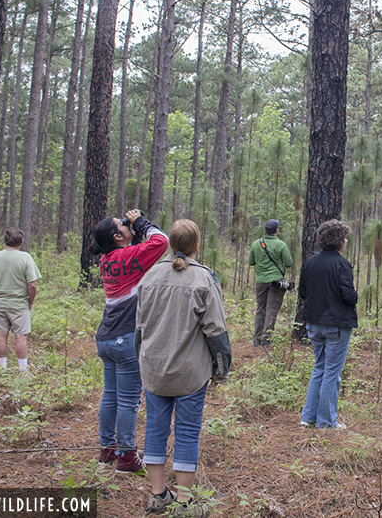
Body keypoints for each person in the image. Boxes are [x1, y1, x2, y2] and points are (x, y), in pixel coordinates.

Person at [136, 219, 231, 517]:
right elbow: (216, 330)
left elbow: (139, 328)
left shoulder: (149, 276)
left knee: (155, 428)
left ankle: (157, 496)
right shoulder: (203, 280)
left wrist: (141, 358)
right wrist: (221, 368)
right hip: (190, 372)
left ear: (169, 243)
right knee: (188, 433)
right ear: (196, 245)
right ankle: (185, 502)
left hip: (153, 369)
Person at [89, 209, 168, 473]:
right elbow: (161, 242)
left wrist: (130, 230)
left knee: (110, 395)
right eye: (120, 225)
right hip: (124, 338)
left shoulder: (106, 259)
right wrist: (140, 223)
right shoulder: (127, 256)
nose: (126, 225)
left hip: (106, 337)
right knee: (128, 400)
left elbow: (136, 250)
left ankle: (107, 448)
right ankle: (126, 455)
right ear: (116, 236)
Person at [298, 220, 358, 430]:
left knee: (320, 367)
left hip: (313, 323)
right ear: (339, 240)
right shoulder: (342, 265)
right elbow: (348, 295)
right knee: (332, 372)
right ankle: (326, 422)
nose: (346, 240)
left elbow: (303, 292)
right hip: (336, 324)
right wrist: (354, 296)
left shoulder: (310, 263)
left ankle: (308, 417)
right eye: (345, 237)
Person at [0, 227, 40, 372]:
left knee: (1, 335)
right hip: (19, 305)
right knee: (20, 337)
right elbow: (32, 284)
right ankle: (23, 371)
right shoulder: (25, 258)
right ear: (21, 241)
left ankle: (2, 368)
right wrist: (30, 301)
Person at [248, 219, 294, 346]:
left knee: (260, 308)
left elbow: (251, 262)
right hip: (276, 282)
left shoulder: (256, 244)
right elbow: (289, 263)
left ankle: (257, 338)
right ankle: (266, 339)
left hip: (261, 281)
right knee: (271, 309)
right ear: (276, 230)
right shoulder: (281, 245)